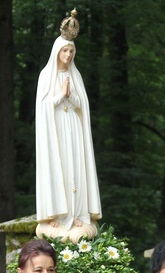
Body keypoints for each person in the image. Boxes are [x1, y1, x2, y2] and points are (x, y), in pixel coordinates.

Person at [35, 10, 102, 242]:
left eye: (72, 51)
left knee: (75, 167)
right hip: (55, 131)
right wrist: (60, 96)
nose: (69, 55)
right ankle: (57, 213)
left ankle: (76, 213)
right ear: (57, 52)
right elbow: (43, 110)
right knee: (59, 167)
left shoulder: (76, 76)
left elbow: (82, 106)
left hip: (72, 127)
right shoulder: (46, 76)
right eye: (65, 50)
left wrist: (70, 97)